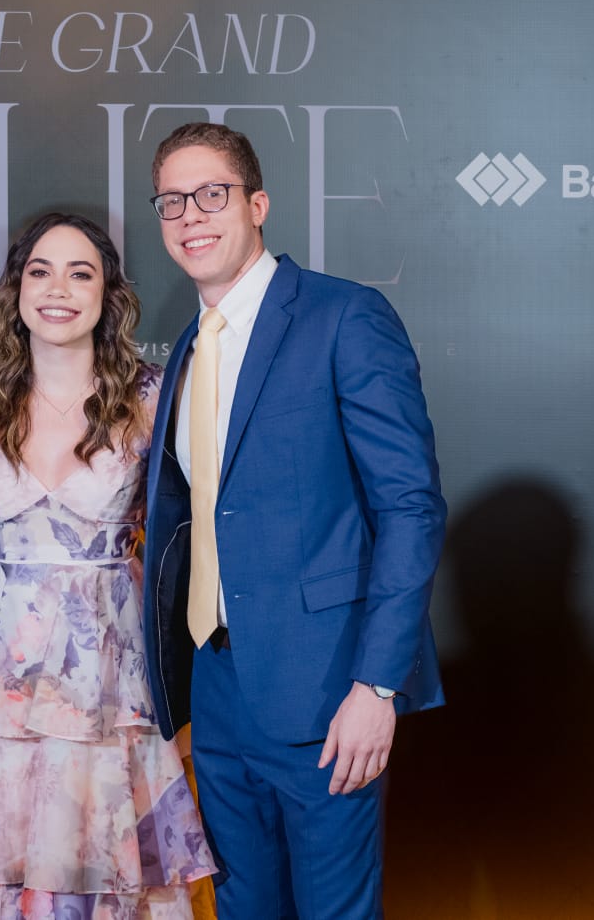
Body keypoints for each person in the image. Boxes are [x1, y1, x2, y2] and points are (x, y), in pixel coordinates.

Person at [140, 122, 446, 919]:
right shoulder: (186, 349)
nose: (190, 215)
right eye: (171, 201)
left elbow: (408, 507)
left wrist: (376, 685)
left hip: (326, 689)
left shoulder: (343, 316)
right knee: (243, 908)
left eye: (212, 194)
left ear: (258, 204)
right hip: (216, 687)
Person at [0, 212, 217, 918]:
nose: (58, 289)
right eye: (40, 271)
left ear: (107, 294)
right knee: (1, 872)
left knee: (108, 871)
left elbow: (200, 528)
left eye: (80, 273)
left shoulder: (153, 397)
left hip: (110, 687)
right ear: (16, 288)